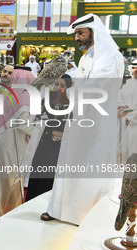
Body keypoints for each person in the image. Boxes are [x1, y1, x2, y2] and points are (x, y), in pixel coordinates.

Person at [44, 13, 124, 225]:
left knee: (91, 167)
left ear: (94, 32)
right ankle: (62, 210)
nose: (77, 37)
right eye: (76, 34)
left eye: (81, 33)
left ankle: (88, 216)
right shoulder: (88, 56)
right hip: (80, 120)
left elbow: (98, 87)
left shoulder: (109, 56)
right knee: (70, 163)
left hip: (98, 125)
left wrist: (66, 95)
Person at [0, 66, 35, 217]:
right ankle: (7, 211)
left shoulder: (8, 93)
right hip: (12, 141)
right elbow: (23, 123)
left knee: (4, 174)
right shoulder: (23, 95)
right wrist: (37, 132)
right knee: (11, 176)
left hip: (1, 139)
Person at [25, 74, 72, 202]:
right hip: (43, 144)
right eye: (56, 84)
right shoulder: (45, 101)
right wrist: (52, 130)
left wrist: (62, 133)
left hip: (60, 148)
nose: (58, 88)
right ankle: (33, 203)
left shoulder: (71, 105)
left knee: (52, 177)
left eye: (63, 86)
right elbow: (37, 121)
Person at [117, 60, 137, 165]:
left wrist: (133, 117)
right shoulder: (127, 85)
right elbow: (119, 101)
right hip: (125, 123)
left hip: (134, 123)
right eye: (133, 68)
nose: (135, 70)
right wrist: (125, 113)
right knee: (125, 150)